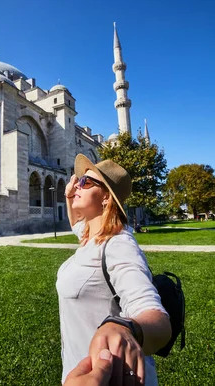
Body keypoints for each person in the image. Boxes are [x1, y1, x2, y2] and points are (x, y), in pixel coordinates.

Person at [57, 154, 172, 386]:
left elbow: (159, 322)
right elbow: (77, 224)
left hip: (109, 379)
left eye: (86, 183)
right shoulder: (92, 236)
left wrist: (124, 328)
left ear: (106, 197)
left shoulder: (119, 245)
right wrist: (71, 196)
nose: (78, 185)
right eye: (79, 181)